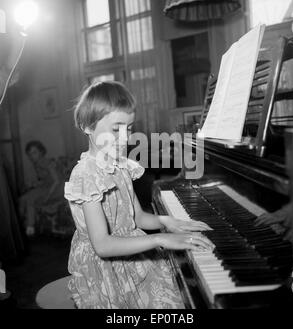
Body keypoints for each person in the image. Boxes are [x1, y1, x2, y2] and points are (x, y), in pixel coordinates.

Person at [64, 81, 214, 309]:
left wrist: (168, 221)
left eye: (130, 128)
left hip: (133, 258)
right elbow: (102, 245)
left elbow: (138, 218)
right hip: (105, 272)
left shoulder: (122, 166)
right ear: (87, 125)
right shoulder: (86, 174)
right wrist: (160, 238)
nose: (125, 138)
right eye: (116, 129)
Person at [19, 141, 64, 236]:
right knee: (23, 198)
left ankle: (30, 228)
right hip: (47, 187)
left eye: (34, 152)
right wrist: (36, 184)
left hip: (57, 189)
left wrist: (48, 196)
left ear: (41, 152)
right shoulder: (37, 164)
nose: (31, 156)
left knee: (30, 199)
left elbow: (56, 181)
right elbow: (46, 179)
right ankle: (19, 223)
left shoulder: (46, 162)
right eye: (29, 154)